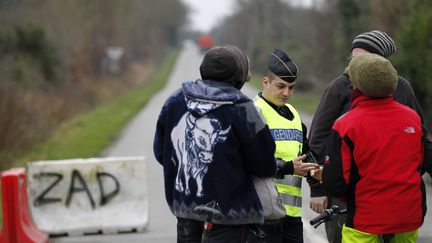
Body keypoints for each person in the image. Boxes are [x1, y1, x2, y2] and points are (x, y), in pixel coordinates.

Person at [308, 30, 432, 243]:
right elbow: (317, 140)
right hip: (349, 195)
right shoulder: (339, 87)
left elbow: (422, 141)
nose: (354, 63)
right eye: (353, 56)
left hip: (397, 197)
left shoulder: (402, 88)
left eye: (362, 57)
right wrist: (318, 188)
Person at [153, 44, 278, 243]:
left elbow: (161, 153)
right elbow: (264, 164)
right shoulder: (244, 109)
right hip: (233, 219)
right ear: (238, 77)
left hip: (186, 212)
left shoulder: (175, 101)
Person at [253, 48, 320, 243]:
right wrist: (289, 167)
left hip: (292, 215)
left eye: (291, 87)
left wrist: (317, 175)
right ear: (265, 82)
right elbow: (253, 161)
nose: (286, 93)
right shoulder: (254, 112)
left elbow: (306, 153)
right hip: (263, 214)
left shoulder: (294, 114)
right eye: (280, 86)